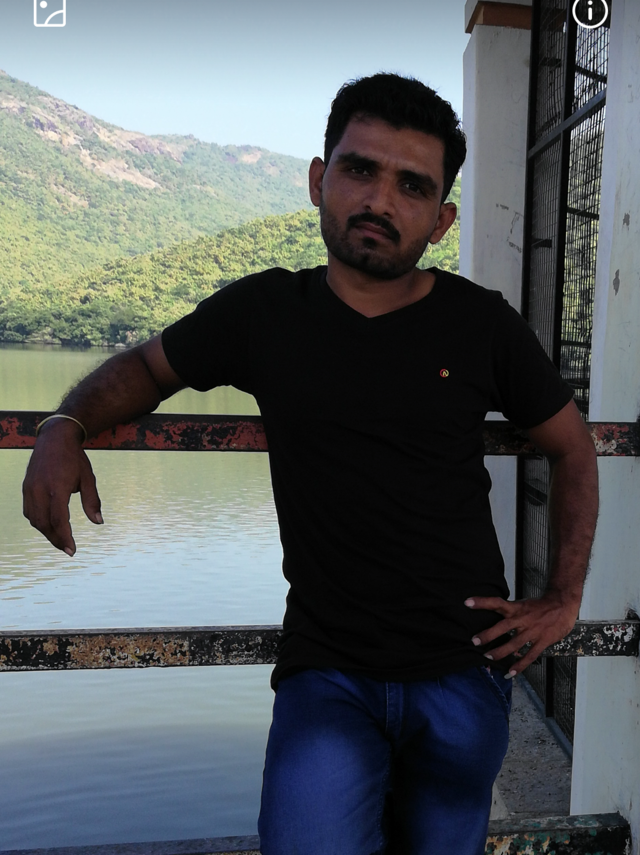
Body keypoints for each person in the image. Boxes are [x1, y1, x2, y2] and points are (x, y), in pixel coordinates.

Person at [23, 73, 599, 855]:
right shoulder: (265, 313)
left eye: (412, 185)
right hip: (327, 670)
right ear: (319, 179)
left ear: (441, 220)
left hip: (465, 670)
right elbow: (146, 369)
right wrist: (64, 424)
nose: (380, 199)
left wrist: (564, 597)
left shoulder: (481, 325)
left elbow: (572, 446)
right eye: (360, 169)